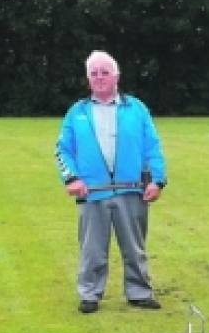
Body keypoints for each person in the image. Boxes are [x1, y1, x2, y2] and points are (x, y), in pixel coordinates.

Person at [54, 50, 167, 313]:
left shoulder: (136, 109)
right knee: (92, 249)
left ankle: (139, 292)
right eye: (94, 73)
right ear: (88, 79)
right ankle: (89, 294)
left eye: (105, 72)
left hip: (132, 191)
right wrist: (71, 178)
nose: (100, 77)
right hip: (92, 192)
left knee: (135, 247)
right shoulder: (77, 112)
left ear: (116, 76)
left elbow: (152, 147)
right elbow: (62, 150)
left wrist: (157, 180)